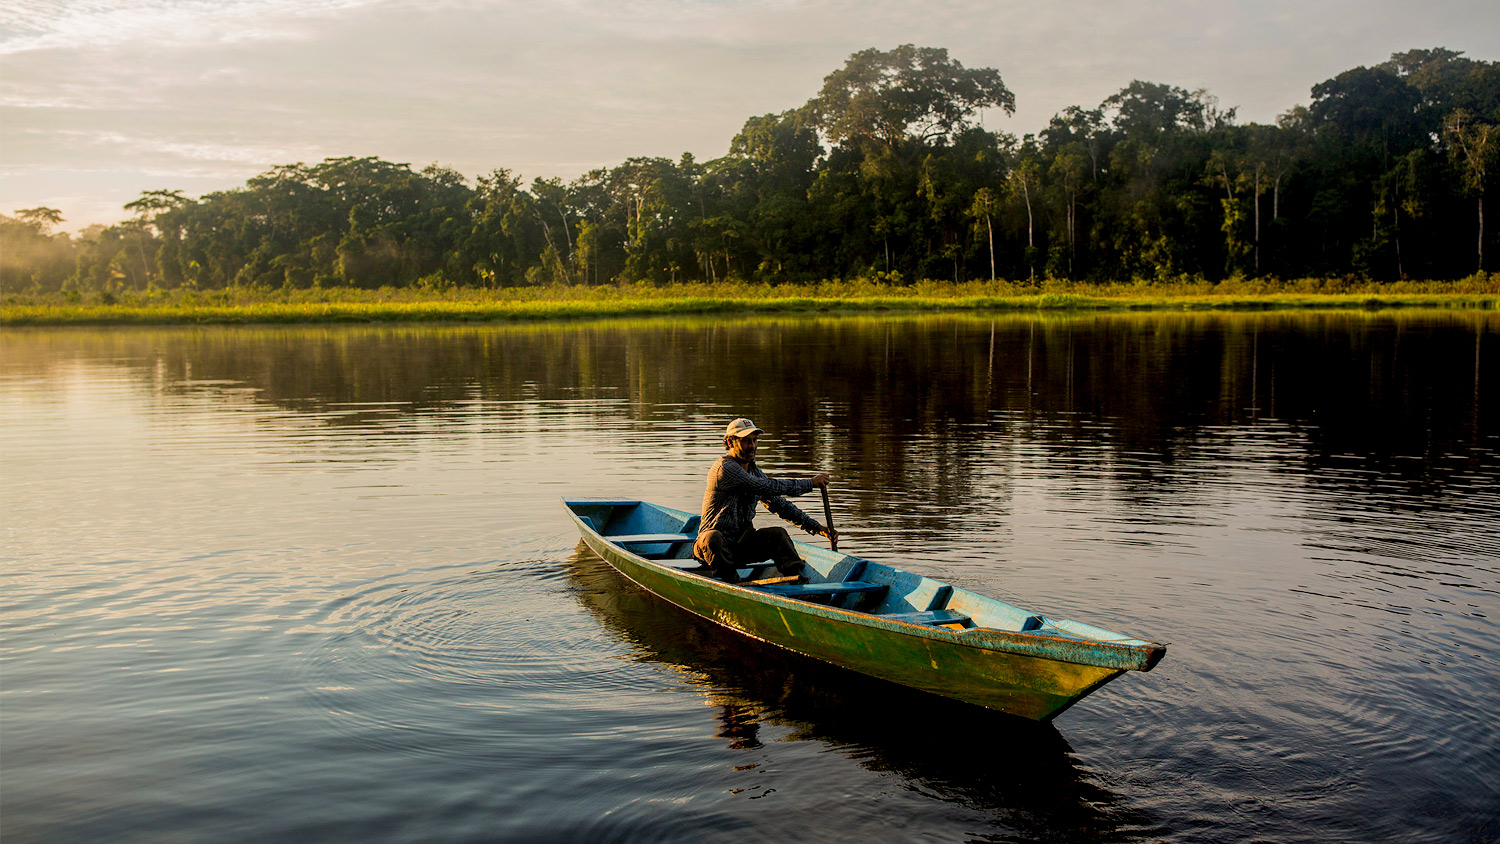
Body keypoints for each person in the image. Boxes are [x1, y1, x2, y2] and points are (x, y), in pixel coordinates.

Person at [693, 417, 837, 583]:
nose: (752, 446)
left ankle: (800, 583)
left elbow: (781, 506)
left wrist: (817, 528)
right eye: (746, 441)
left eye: (755, 440)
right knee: (713, 538)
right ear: (730, 442)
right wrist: (810, 483)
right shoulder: (724, 469)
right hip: (712, 551)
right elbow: (769, 486)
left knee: (778, 535)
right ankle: (732, 582)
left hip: (740, 547)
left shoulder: (755, 473)